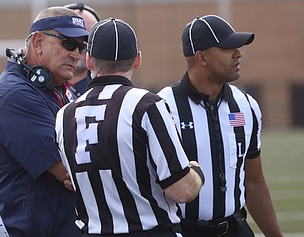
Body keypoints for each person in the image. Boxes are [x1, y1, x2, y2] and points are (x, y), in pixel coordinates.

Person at [55, 18, 205, 237]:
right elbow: (180, 190)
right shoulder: (147, 105)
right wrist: (196, 171)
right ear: (137, 60)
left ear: (88, 61)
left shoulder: (64, 115)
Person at [158, 15, 283, 237]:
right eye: (227, 48)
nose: (239, 53)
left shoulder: (246, 105)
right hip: (182, 230)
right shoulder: (162, 107)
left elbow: (253, 181)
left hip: (235, 228)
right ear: (202, 58)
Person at [0, 6, 90, 236]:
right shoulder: (12, 95)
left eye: (81, 47)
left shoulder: (55, 89)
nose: (76, 54)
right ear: (38, 42)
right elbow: (71, 173)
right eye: (68, 43)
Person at [64, 2, 101, 99]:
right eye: (75, 37)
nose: (84, 44)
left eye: (90, 37)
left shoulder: (105, 91)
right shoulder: (37, 89)